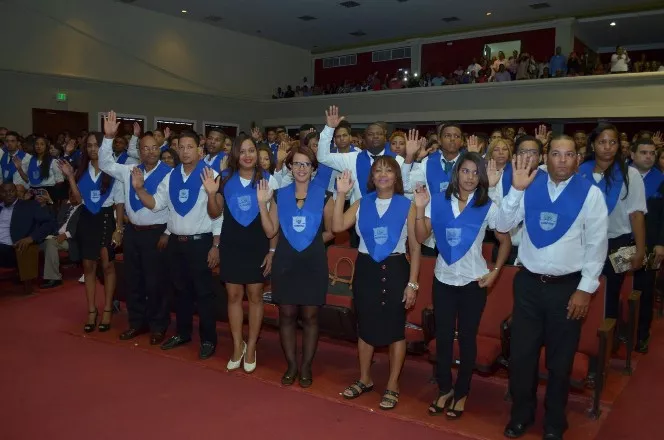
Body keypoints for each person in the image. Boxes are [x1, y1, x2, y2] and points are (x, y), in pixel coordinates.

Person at [496, 136, 608, 440]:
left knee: (560, 362)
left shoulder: (590, 194)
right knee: (521, 357)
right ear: (547, 156)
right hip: (529, 285)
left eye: (568, 154)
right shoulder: (529, 183)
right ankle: (522, 415)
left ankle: (555, 422)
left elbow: (598, 245)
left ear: (577, 158)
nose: (561, 160)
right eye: (556, 153)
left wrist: (585, 289)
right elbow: (503, 225)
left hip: (567, 288)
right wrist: (515, 190)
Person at [413, 152, 512, 419]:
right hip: (443, 279)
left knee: (467, 338)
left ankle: (462, 391)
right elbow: (422, 237)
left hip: (473, 282)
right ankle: (444, 388)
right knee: (443, 338)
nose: (469, 177)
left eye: (475, 172)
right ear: (456, 173)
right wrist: (421, 209)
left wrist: (495, 272)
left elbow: (506, 241)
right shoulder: (440, 201)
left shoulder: (486, 205)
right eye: (465, 171)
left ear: (482, 177)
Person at [333, 157, 420, 411]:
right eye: (378, 170)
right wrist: (341, 194)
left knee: (395, 329)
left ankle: (393, 384)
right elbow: (337, 226)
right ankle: (364, 378)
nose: (383, 174)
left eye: (388, 170)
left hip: (395, 270)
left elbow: (414, 248)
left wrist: (412, 284)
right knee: (366, 326)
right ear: (372, 177)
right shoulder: (362, 203)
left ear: (396, 176)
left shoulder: (408, 205)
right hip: (366, 269)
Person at [132, 130, 221, 360]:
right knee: (180, 292)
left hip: (201, 243)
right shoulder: (169, 177)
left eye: (190, 147)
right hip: (176, 243)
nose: (185, 151)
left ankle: (209, 339)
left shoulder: (211, 174)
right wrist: (140, 189)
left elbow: (217, 214)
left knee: (204, 295)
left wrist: (216, 245)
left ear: (199, 150)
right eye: (181, 147)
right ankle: (183, 333)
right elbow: (156, 205)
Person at [256, 145, 328, 387]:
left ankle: (306, 366)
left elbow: (332, 230)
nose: (301, 168)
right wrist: (261, 204)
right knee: (286, 314)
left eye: (306, 164)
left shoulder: (324, 195)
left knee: (310, 315)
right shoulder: (279, 194)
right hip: (286, 261)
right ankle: (292, 365)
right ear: (289, 167)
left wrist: (312, 240)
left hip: (314, 261)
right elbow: (270, 230)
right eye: (297, 163)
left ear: (313, 169)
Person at [204, 135, 278, 372]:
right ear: (235, 155)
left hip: (257, 243)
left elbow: (275, 222)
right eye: (242, 151)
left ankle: (253, 345)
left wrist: (272, 250)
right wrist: (210, 194)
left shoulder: (268, 179)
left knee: (255, 296)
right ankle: (238, 345)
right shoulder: (224, 179)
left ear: (257, 154)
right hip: (232, 243)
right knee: (234, 295)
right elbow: (215, 213)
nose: (247, 155)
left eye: (251, 150)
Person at [98, 111, 172, 345]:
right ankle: (136, 323)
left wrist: (167, 233)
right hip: (133, 234)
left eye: (153, 147)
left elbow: (174, 208)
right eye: (145, 148)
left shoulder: (169, 174)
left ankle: (159, 325)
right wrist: (109, 138)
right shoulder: (130, 170)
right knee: (134, 280)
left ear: (159, 148)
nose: (149, 151)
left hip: (156, 233)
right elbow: (105, 163)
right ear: (139, 150)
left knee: (156, 282)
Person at [579, 123, 647, 320]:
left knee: (610, 293)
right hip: (584, 242)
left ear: (618, 145)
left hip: (619, 243)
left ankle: (605, 341)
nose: (607, 147)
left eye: (612, 142)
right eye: (602, 142)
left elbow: (637, 215)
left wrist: (641, 250)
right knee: (581, 289)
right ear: (593, 145)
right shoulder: (580, 172)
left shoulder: (629, 174)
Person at [58, 133, 124, 333]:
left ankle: (107, 309)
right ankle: (91, 310)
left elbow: (119, 202)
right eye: (89, 146)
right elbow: (77, 200)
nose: (93, 149)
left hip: (106, 218)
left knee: (108, 265)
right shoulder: (82, 171)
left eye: (97, 145)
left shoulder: (112, 170)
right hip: (87, 218)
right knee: (88, 266)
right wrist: (70, 177)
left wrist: (119, 228)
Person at [629, 138, 664, 353]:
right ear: (632, 155)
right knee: (616, 289)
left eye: (652, 153)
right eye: (643, 152)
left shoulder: (661, 180)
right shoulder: (620, 176)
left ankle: (641, 334)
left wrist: (661, 243)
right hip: (621, 243)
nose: (648, 156)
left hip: (651, 245)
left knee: (645, 289)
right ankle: (615, 334)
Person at [0, 182, 56, 271]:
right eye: (4, 192)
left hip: (14, 249)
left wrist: (32, 238)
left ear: (16, 192)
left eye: (11, 191)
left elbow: (49, 224)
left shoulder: (30, 205)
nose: (8, 194)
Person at [39, 188, 81, 289]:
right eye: (70, 194)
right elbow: (54, 218)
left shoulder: (84, 209)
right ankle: (28, 274)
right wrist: (49, 202)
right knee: (36, 242)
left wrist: (66, 235)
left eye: (74, 193)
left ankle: (54, 278)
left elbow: (83, 227)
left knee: (51, 244)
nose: (72, 196)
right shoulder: (65, 206)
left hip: (71, 239)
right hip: (55, 235)